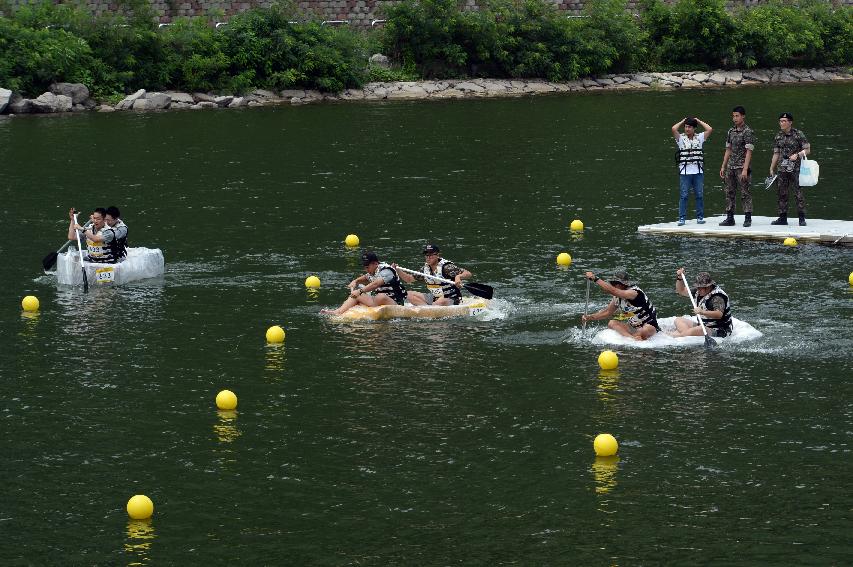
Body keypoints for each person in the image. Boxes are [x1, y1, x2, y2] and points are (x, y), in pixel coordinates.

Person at [321, 251, 420, 316]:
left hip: (396, 303)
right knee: (356, 294)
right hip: (379, 301)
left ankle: (362, 304)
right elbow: (365, 278)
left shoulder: (387, 271)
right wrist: (355, 281)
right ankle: (337, 312)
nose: (365, 269)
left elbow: (376, 284)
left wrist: (360, 291)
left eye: (367, 266)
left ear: (375, 264)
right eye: (364, 266)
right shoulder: (372, 271)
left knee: (380, 296)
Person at [581, 270, 660, 341]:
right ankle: (633, 339)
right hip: (634, 327)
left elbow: (613, 291)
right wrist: (589, 317)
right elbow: (607, 312)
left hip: (649, 326)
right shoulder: (617, 297)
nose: (612, 285)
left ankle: (637, 337)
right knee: (611, 323)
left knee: (644, 330)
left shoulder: (633, 292)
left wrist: (595, 279)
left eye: (615, 283)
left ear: (622, 284)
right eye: (612, 283)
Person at [396, 243, 473, 306]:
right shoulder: (425, 269)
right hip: (434, 297)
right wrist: (397, 269)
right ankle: (427, 309)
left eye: (431, 255)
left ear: (437, 255)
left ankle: (430, 309)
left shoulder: (447, 267)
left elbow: (468, 273)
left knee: (440, 302)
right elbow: (408, 279)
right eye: (426, 255)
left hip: (450, 297)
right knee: (408, 294)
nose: (428, 258)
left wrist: (458, 277)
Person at [769, 112, 811, 226]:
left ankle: (801, 218)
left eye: (784, 121)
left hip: (796, 169)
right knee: (782, 193)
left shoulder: (798, 134)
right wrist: (772, 167)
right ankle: (782, 218)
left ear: (790, 122)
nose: (781, 123)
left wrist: (797, 155)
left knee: (798, 193)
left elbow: (807, 150)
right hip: (782, 169)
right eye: (780, 121)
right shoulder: (778, 136)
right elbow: (776, 153)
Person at [672, 116, 713, 226]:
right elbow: (673, 129)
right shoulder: (680, 138)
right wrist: (682, 121)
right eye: (686, 127)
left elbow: (709, 129)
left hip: (698, 171)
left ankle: (700, 217)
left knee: (699, 195)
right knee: (684, 195)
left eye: (689, 127)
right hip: (685, 172)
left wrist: (698, 121)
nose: (687, 129)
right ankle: (682, 218)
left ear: (694, 128)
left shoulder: (699, 138)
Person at [719, 106, 756, 227]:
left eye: (737, 116)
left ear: (743, 116)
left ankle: (747, 218)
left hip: (742, 166)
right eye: (733, 116)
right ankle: (730, 218)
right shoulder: (731, 131)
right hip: (731, 166)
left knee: (745, 192)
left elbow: (749, 151)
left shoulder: (747, 131)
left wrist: (745, 169)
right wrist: (723, 166)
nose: (735, 118)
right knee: (729, 192)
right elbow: (728, 149)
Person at [671, 268, 733, 338]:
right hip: (703, 325)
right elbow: (681, 291)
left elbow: (719, 314)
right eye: (697, 287)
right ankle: (687, 333)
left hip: (719, 330)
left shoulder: (717, 297)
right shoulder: (698, 291)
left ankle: (677, 335)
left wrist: (702, 312)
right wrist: (680, 278)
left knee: (699, 329)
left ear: (708, 287)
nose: (698, 289)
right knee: (678, 320)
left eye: (700, 287)